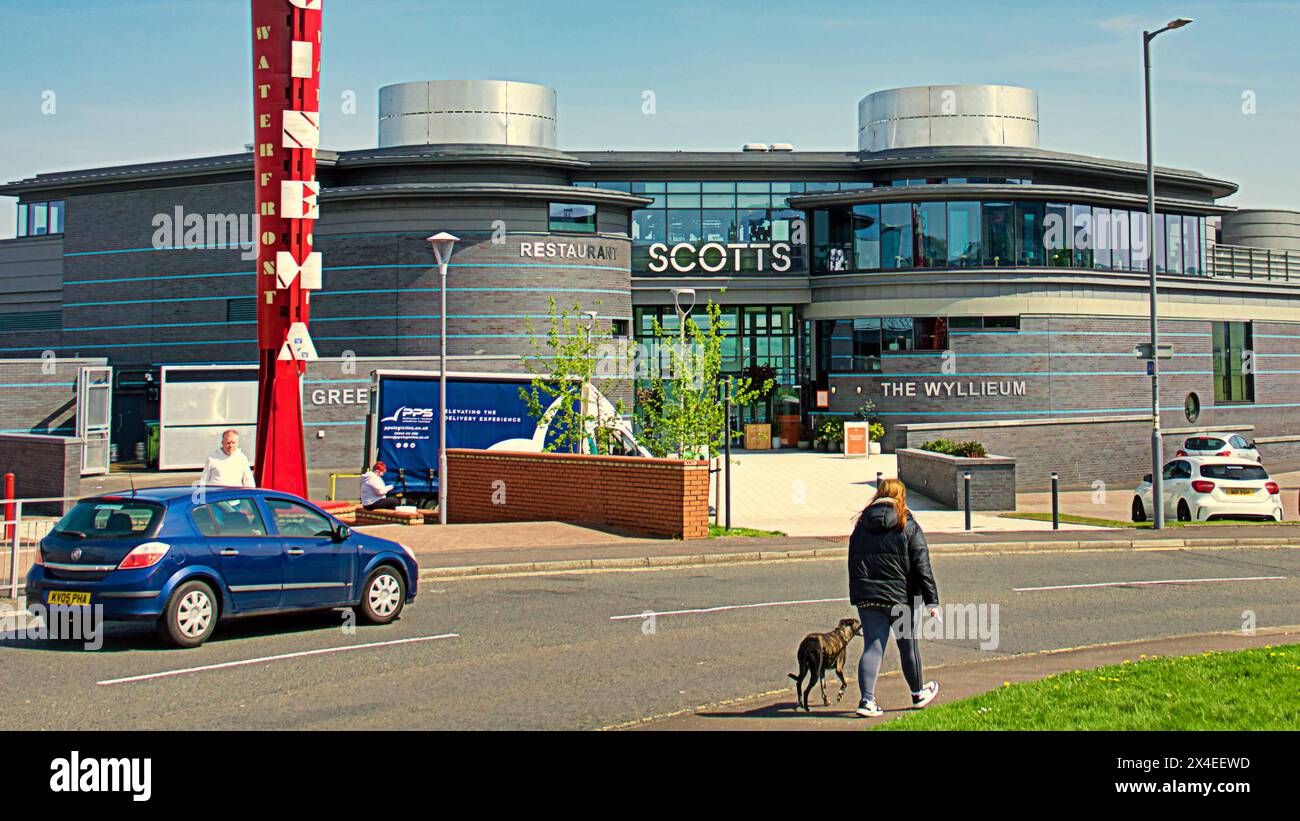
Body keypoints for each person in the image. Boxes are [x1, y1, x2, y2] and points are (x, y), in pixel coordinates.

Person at [847, 478, 940, 717]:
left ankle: (867, 701)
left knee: (872, 646)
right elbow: (922, 565)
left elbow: (854, 562)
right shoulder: (907, 523)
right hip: (901, 598)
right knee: (907, 646)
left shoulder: (861, 524)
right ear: (901, 497)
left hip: (868, 597)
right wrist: (932, 602)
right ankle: (918, 693)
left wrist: (859, 593)